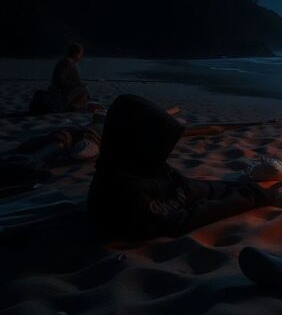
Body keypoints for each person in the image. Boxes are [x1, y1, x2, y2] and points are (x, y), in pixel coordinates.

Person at [88, 94, 272, 240]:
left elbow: (192, 188)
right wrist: (248, 198)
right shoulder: (123, 195)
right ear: (140, 140)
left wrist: (235, 187)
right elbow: (189, 218)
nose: (165, 150)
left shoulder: (146, 166)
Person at [48, 42, 90, 111]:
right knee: (83, 89)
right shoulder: (66, 63)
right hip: (60, 92)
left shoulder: (68, 63)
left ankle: (76, 105)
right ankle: (73, 107)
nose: (81, 56)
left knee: (83, 88)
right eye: (80, 54)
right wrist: (76, 84)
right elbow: (60, 80)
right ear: (75, 53)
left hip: (62, 90)